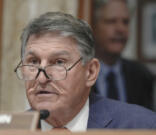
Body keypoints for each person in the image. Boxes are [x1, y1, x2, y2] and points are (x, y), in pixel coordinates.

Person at [14, 12, 156, 131]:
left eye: (59, 62)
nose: (41, 79)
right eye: (33, 62)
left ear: (91, 72)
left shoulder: (142, 126)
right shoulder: (9, 130)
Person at [91, 0, 154, 109]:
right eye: (111, 21)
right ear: (93, 26)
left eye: (125, 22)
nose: (121, 29)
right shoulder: (79, 73)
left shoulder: (142, 75)